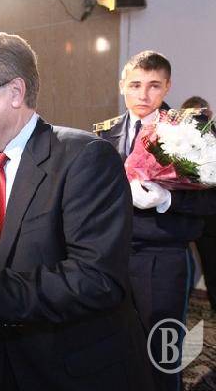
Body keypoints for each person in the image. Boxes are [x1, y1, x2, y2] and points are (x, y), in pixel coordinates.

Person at [0, 32, 153, 391]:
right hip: (2, 371)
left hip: (76, 374)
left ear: (16, 92)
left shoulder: (85, 157)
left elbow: (97, 279)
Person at [93, 51, 216, 390]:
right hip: (111, 255)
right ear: (122, 85)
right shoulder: (104, 132)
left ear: (168, 86)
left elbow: (210, 200)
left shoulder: (191, 133)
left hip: (163, 255)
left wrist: (167, 199)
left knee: (162, 351)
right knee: (117, 346)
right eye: (135, 85)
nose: (143, 95)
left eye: (154, 85)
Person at [181, 96, 216, 313]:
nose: (198, 120)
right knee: (184, 268)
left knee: (212, 266)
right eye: (193, 115)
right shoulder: (174, 141)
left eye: (202, 115)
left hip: (211, 218)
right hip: (181, 215)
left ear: (209, 115)